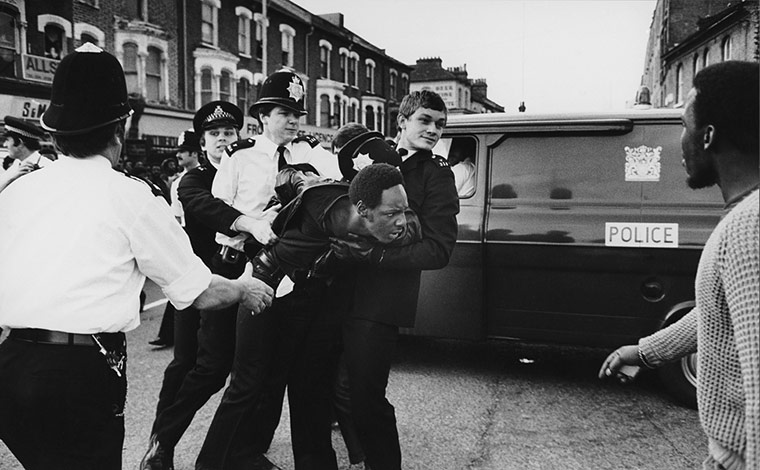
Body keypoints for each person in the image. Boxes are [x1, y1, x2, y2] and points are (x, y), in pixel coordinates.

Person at [0, 43, 273, 470]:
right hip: (81, 370)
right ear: (120, 129)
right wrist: (244, 288)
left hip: (12, 363)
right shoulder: (132, 196)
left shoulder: (17, 190)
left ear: (53, 132)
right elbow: (199, 292)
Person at [599, 61, 759, 470]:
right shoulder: (746, 218)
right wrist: (645, 352)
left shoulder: (749, 228)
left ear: (708, 137)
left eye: (684, 125)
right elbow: (713, 313)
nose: (679, 142)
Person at [195, 69, 341, 470]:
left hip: (301, 277)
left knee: (289, 375)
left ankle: (253, 452)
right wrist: (256, 221)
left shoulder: (313, 154)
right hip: (252, 272)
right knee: (249, 377)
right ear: (262, 115)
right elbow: (218, 215)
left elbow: (337, 196)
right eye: (284, 112)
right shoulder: (238, 157)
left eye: (297, 113)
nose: (293, 120)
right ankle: (219, 459)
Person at [330, 90, 460, 470]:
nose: (434, 130)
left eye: (440, 124)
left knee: (367, 395)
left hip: (380, 301)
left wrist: (374, 254)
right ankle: (359, 456)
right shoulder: (372, 155)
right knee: (332, 387)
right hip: (337, 287)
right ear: (402, 120)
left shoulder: (436, 174)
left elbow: (439, 250)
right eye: (425, 120)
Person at [141, 101, 272, 470]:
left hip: (246, 278)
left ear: (240, 136)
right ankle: (160, 444)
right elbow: (208, 209)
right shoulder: (194, 180)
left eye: (229, 133)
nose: (221, 140)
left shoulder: (253, 174)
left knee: (247, 368)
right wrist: (249, 221)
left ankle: (243, 447)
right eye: (214, 134)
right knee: (189, 366)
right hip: (195, 287)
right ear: (202, 143)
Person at [148, 130, 204, 349]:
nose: (178, 156)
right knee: (180, 287)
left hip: (208, 240)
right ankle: (170, 334)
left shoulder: (211, 176)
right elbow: (177, 217)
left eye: (183, 151)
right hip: (188, 239)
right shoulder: (178, 182)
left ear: (194, 152)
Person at [0, 115, 54, 193]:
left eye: (7, 140)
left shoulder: (46, 167)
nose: (5, 145)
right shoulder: (17, 163)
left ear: (20, 142)